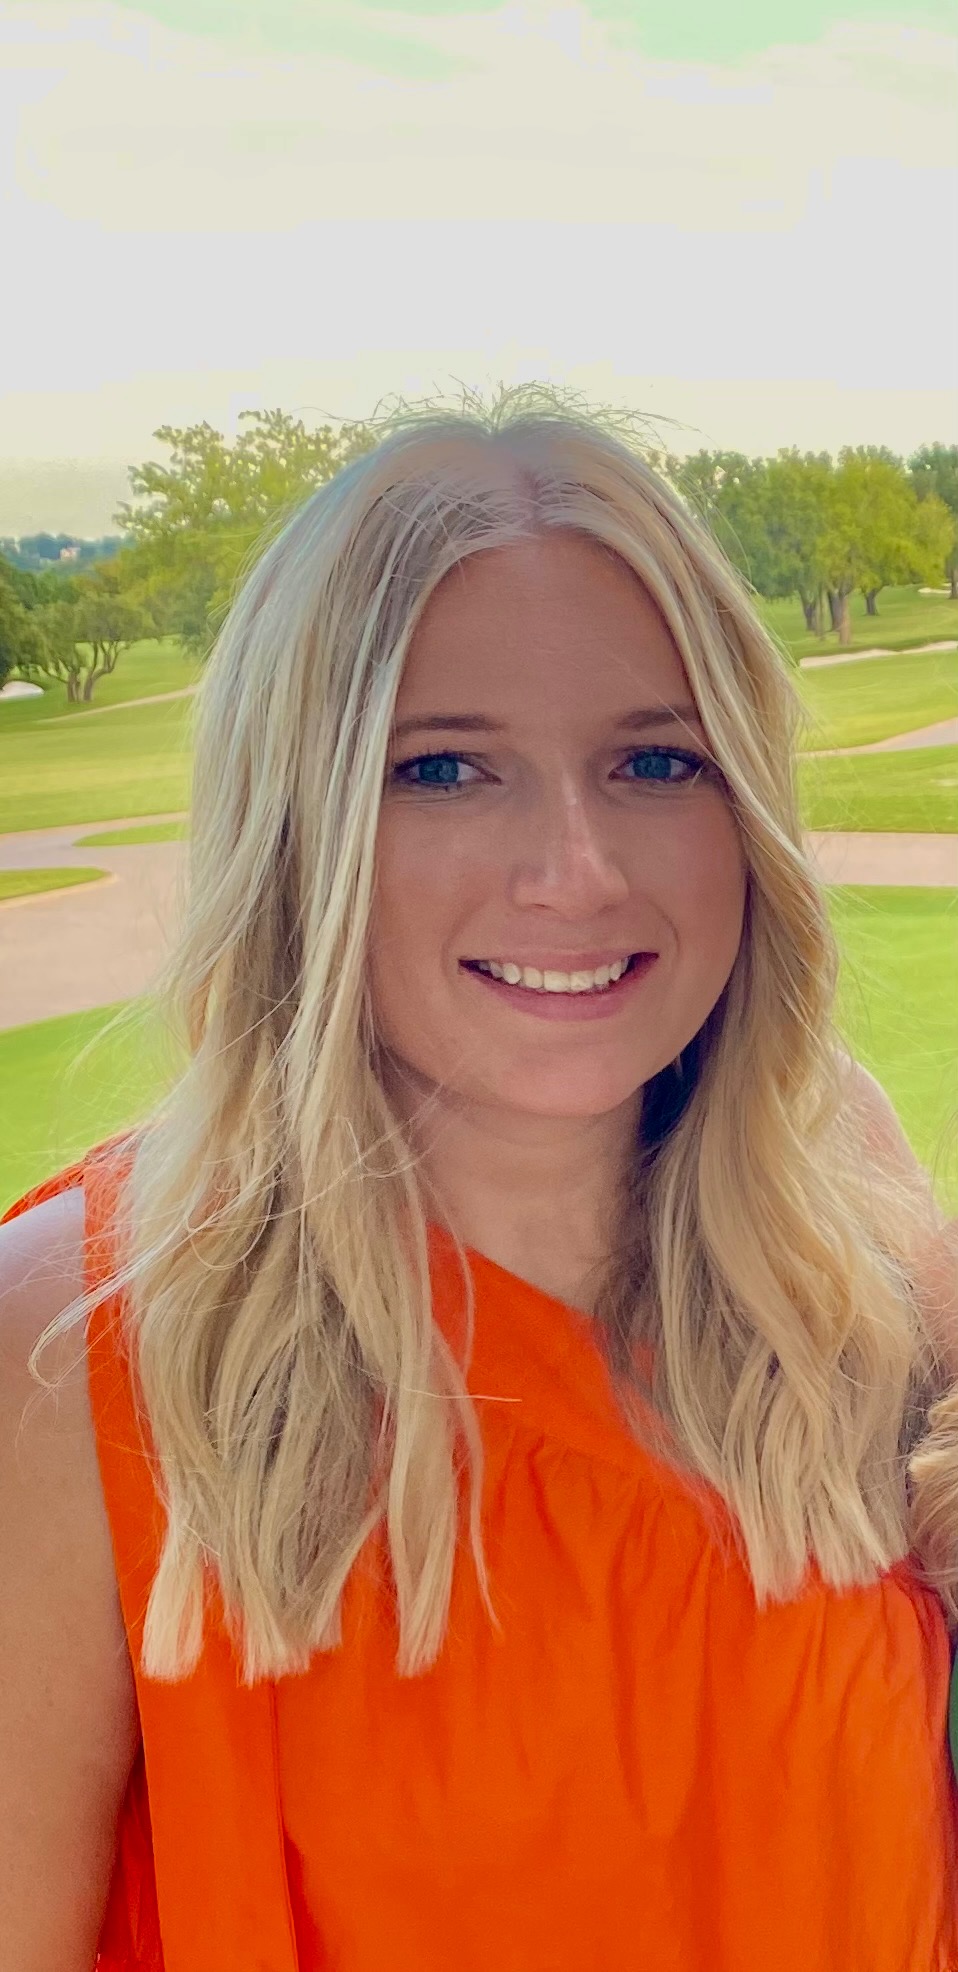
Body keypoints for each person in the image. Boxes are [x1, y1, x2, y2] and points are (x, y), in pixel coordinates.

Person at [2, 386, 957, 1971]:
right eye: (444, 770)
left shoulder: (834, 1194)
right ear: (298, 830)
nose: (576, 871)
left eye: (654, 761)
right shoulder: (74, 1339)